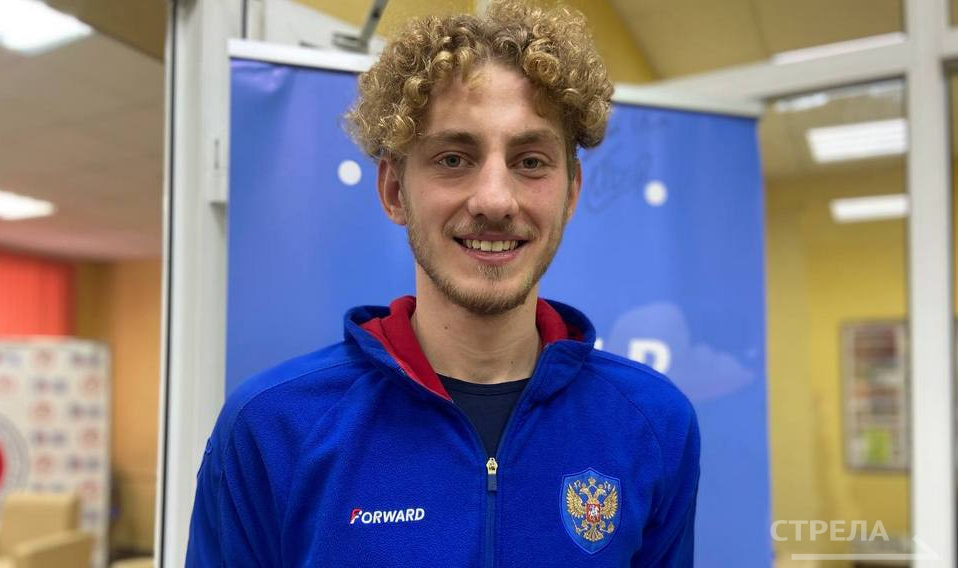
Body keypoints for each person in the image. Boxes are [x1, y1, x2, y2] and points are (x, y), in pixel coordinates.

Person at [186, 1, 699, 566]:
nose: (495, 201)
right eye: (454, 158)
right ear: (394, 191)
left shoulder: (653, 423)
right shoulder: (272, 428)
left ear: (571, 192)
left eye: (530, 162)